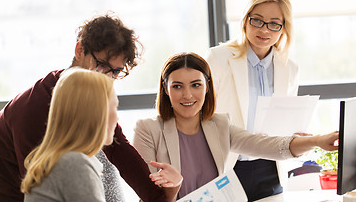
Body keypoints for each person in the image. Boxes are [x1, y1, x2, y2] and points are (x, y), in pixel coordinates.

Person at [0, 13, 178, 202]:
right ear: (79, 50)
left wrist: (158, 198)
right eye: (102, 66)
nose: (108, 77)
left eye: (116, 71)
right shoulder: (34, 108)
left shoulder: (91, 100)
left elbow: (119, 148)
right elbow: (35, 184)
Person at [132, 52, 338, 200]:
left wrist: (318, 141)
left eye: (196, 85)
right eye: (177, 86)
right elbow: (151, 196)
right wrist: (173, 187)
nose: (187, 95)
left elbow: (268, 145)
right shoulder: (148, 130)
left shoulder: (220, 125)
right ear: (166, 89)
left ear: (207, 87)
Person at [21, 68, 182, 201]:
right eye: (114, 108)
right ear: (97, 113)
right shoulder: (75, 163)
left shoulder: (55, 159)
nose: (117, 117)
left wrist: (171, 191)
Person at [205, 0, 298, 201]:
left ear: (283, 28)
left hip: (271, 168)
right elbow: (203, 114)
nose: (265, 30)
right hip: (230, 165)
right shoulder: (218, 58)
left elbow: (286, 118)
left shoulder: (289, 67)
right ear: (246, 20)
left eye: (274, 23)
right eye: (257, 20)